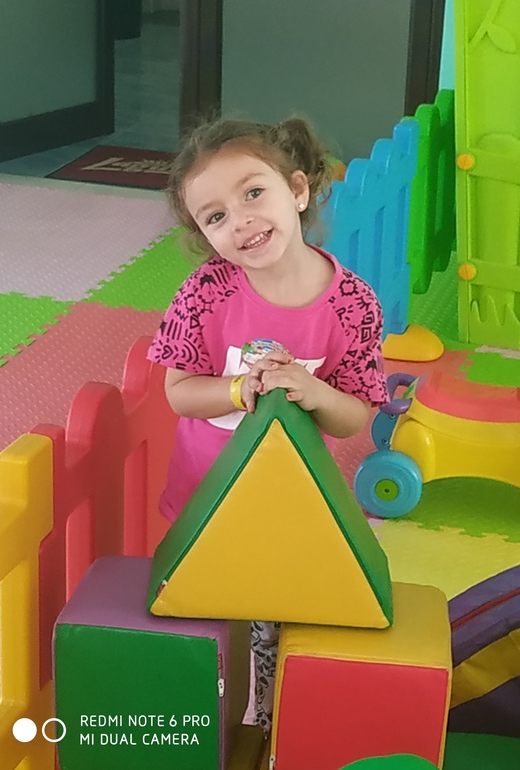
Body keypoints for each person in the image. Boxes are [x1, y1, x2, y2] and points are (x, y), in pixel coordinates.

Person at [147, 116, 389, 734]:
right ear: (204, 235)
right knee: (205, 619)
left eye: (253, 192)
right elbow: (178, 391)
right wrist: (237, 389)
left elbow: (355, 414)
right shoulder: (205, 292)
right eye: (216, 216)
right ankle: (206, 726)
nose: (241, 221)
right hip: (208, 497)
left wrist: (314, 392)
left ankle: (273, 728)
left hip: (292, 504)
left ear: (298, 189)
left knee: (278, 624)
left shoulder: (352, 304)